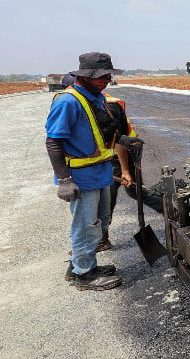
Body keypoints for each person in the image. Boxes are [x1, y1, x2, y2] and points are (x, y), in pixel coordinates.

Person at [46, 53, 131, 291]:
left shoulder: (96, 97)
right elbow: (53, 142)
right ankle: (85, 275)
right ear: (83, 76)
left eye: (108, 76)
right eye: (100, 77)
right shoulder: (68, 102)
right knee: (86, 225)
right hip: (81, 177)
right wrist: (64, 180)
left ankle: (79, 266)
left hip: (100, 171)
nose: (105, 80)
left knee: (100, 222)